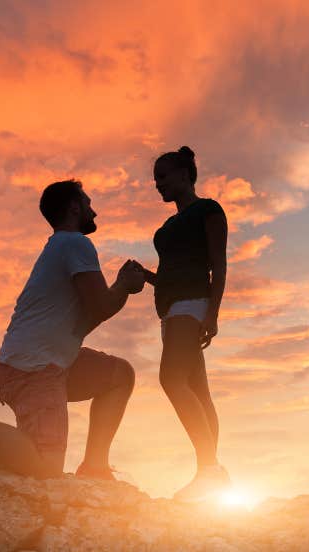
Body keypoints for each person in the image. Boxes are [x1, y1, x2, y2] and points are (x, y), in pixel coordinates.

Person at [0, 180, 145, 479]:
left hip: (47, 362)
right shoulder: (75, 243)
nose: (94, 212)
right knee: (45, 467)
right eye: (88, 203)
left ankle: (95, 467)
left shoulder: (62, 247)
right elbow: (100, 307)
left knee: (119, 376)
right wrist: (124, 286)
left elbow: (85, 321)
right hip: (34, 368)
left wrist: (121, 287)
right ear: (74, 206)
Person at [135, 146, 231, 502]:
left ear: (183, 174)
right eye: (155, 179)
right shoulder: (167, 227)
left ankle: (209, 471)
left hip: (192, 306)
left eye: (163, 176)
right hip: (171, 309)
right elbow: (171, 275)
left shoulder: (208, 210)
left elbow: (218, 266)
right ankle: (211, 472)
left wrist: (213, 314)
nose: (157, 184)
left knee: (170, 379)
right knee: (199, 392)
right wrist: (146, 276)